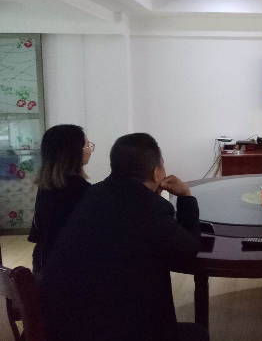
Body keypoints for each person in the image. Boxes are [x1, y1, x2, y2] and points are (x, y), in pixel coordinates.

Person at [39, 133, 209, 341]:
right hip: (109, 330)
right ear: (156, 173)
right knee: (198, 334)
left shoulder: (94, 193)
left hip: (62, 324)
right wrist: (186, 196)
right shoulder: (151, 209)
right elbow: (190, 248)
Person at [28, 124, 94, 280]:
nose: (90, 150)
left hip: (43, 265)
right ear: (74, 153)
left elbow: (37, 233)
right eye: (87, 145)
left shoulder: (46, 187)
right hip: (68, 274)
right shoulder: (82, 191)